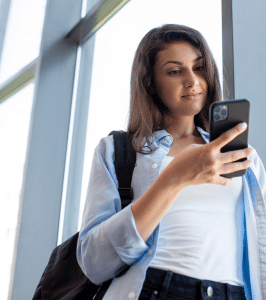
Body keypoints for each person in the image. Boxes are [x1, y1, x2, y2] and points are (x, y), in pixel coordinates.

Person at [76, 24, 266, 300]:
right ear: (150, 82)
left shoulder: (243, 155)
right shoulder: (117, 151)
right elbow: (94, 262)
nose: (192, 81)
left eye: (199, 67)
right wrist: (172, 179)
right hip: (154, 289)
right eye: (175, 71)